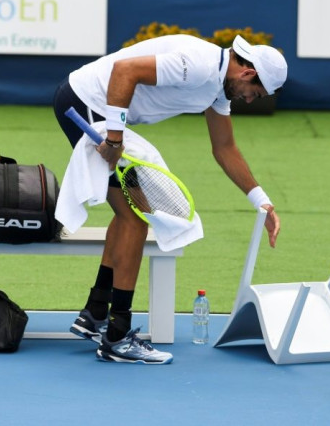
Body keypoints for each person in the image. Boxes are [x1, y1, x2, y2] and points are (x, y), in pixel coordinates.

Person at [52, 34, 287, 364]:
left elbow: (225, 148)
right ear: (247, 73)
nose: (250, 100)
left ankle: (96, 311)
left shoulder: (218, 89)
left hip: (91, 105)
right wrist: (116, 138)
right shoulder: (200, 65)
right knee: (135, 217)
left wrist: (261, 201)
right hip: (88, 105)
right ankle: (117, 336)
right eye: (255, 93)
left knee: (127, 214)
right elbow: (124, 71)